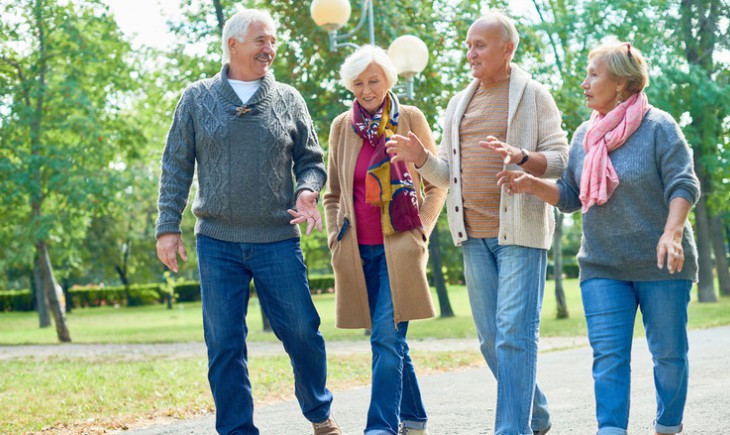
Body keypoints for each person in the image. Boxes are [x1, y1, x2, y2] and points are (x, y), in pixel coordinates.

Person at [495, 42, 700, 435]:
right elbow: (571, 196)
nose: (585, 83)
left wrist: (672, 234)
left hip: (661, 262)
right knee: (608, 357)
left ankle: (668, 425)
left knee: (669, 355)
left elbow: (683, 183)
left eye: (594, 75)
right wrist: (533, 184)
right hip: (602, 264)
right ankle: (611, 429)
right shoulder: (586, 135)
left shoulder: (659, 127)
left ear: (622, 83)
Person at [155, 8, 340, 435]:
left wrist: (308, 190)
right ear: (233, 44)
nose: (270, 48)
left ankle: (319, 411)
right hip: (216, 240)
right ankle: (237, 430)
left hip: (277, 237)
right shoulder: (196, 98)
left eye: (273, 41)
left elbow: (311, 162)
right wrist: (168, 227)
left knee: (301, 331)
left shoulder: (289, 98)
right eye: (262, 40)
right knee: (224, 345)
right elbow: (176, 166)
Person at [386, 12, 568, 435]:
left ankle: (512, 428)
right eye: (468, 45)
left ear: (508, 49)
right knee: (490, 340)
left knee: (514, 335)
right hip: (473, 236)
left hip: (521, 234)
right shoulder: (457, 104)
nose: (470, 53)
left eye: (479, 45)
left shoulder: (534, 96)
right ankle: (535, 415)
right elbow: (448, 174)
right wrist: (421, 160)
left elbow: (561, 159)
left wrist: (523, 159)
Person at [323, 45, 446, 435]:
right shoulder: (342, 126)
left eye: (373, 80)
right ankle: (415, 419)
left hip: (401, 250)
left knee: (384, 338)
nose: (366, 89)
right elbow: (333, 193)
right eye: (358, 83)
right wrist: (334, 238)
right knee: (391, 341)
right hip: (358, 254)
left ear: (388, 80)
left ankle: (381, 428)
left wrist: (421, 230)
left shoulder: (409, 118)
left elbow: (438, 183)